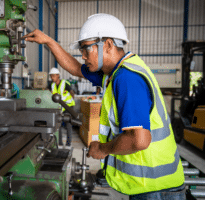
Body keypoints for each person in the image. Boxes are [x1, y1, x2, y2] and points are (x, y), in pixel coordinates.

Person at [23, 13, 185, 199]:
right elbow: (75, 68)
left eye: (86, 49)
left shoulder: (126, 78)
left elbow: (139, 140)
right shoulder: (113, 74)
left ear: (107, 45)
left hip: (157, 190)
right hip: (151, 186)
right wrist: (49, 41)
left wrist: (102, 149)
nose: (83, 56)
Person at [48, 67, 75, 147]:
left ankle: (68, 144)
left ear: (58, 75)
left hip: (68, 106)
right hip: (59, 108)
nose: (52, 78)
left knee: (68, 125)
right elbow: (47, 93)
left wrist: (71, 98)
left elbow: (72, 92)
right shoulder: (51, 85)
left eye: (53, 76)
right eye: (51, 76)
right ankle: (60, 143)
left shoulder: (64, 83)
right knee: (58, 125)